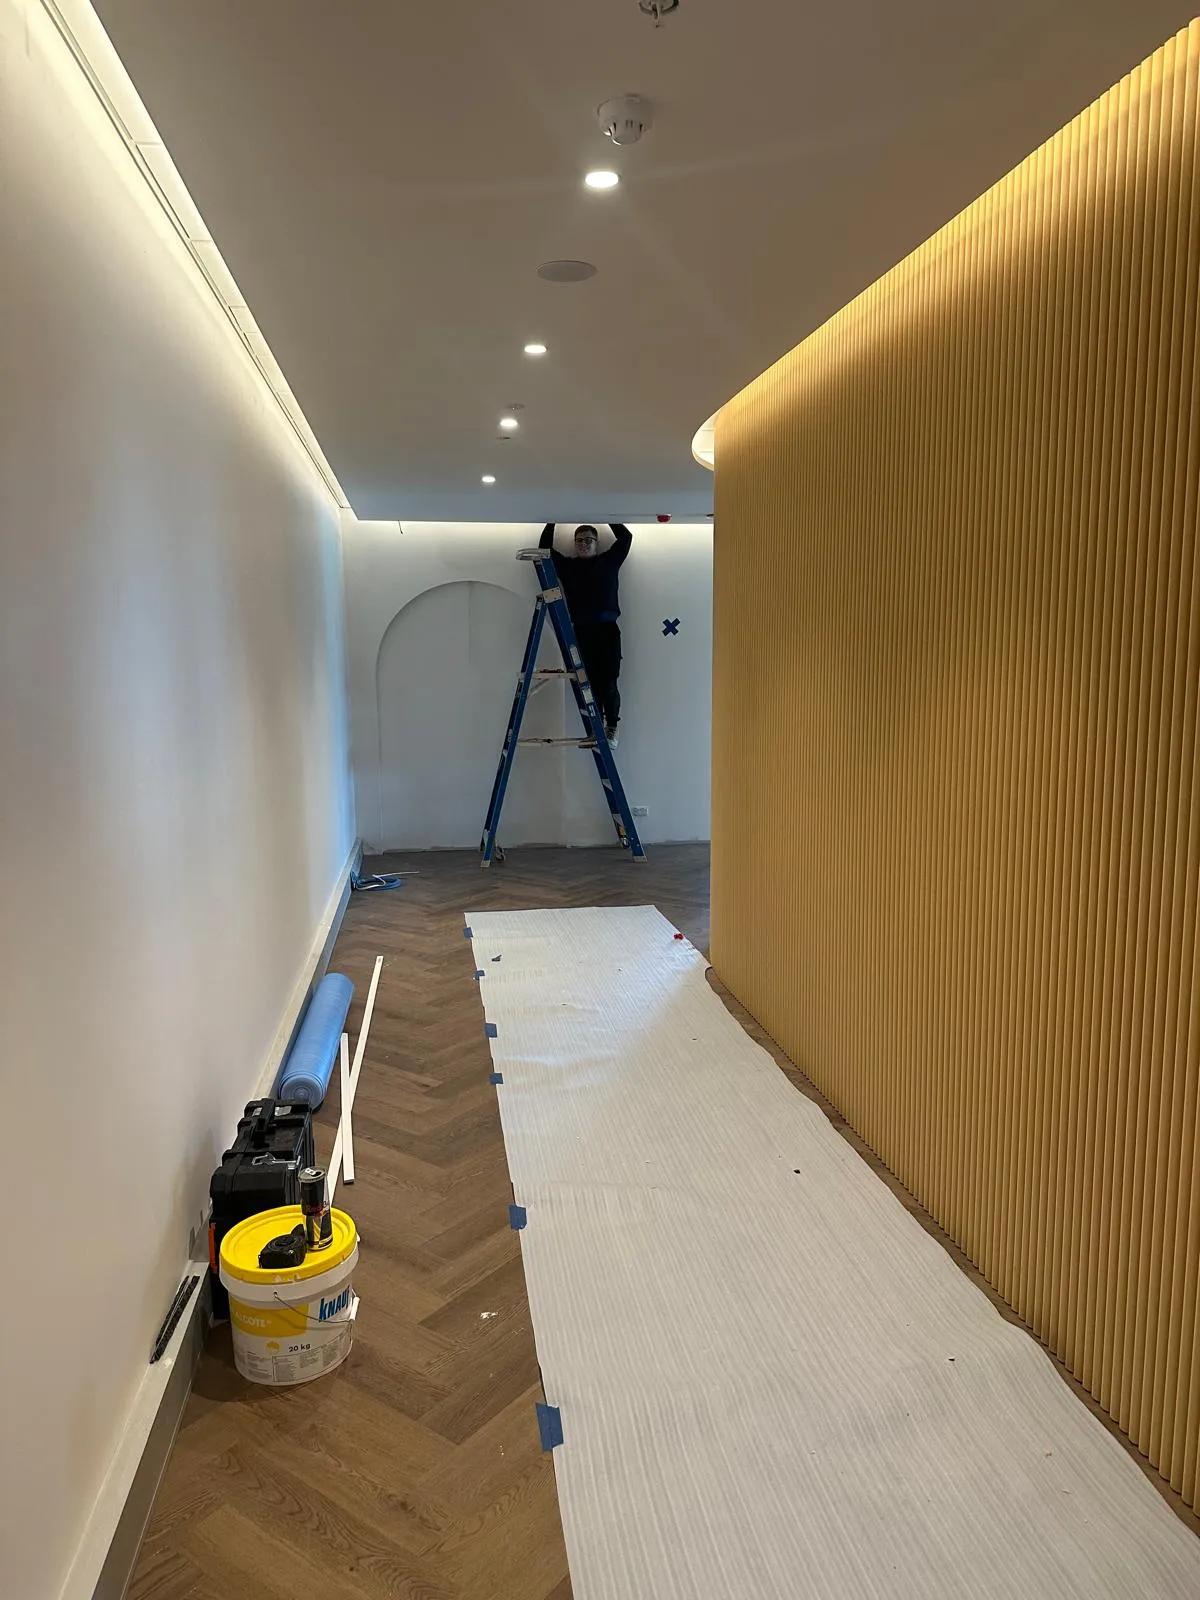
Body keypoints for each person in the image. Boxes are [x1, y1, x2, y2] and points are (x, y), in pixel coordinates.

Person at [539, 521, 632, 746]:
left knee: (608, 681)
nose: (583, 544)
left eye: (588, 540)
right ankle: (597, 728)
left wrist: (607, 514)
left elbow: (626, 538)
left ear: (596, 543)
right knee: (588, 682)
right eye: (579, 540)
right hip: (581, 631)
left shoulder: (609, 561)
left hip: (607, 631)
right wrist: (551, 521)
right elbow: (545, 549)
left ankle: (611, 728)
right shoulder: (568, 567)